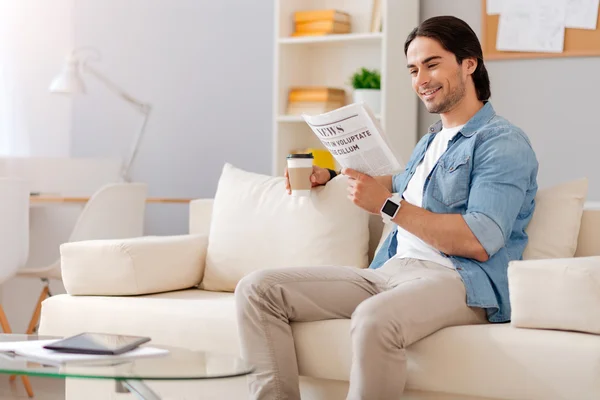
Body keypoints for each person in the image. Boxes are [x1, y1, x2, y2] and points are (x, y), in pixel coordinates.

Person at [235, 15, 539, 400]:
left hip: (460, 280)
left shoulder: (502, 142)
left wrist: (390, 207)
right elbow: (394, 185)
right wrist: (326, 175)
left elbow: (480, 239)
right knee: (258, 289)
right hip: (390, 272)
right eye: (413, 70)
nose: (421, 80)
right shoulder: (430, 142)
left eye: (432, 64)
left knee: (374, 317)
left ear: (469, 63)